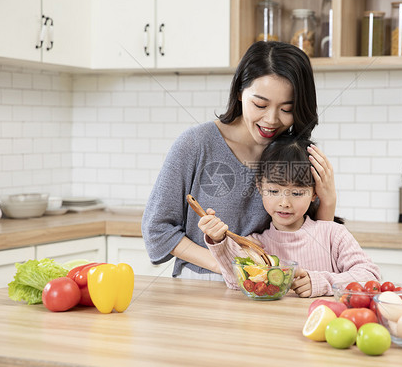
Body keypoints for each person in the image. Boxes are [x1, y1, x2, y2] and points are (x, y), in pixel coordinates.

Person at [142, 41, 337, 280]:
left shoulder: (294, 153)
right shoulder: (195, 144)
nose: (271, 119)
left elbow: (311, 243)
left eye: (287, 109)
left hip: (272, 288)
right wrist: (227, 266)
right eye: (260, 104)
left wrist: (328, 201)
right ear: (239, 92)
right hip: (203, 285)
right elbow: (157, 230)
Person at [198, 134, 381, 297]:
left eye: (296, 193)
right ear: (260, 187)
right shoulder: (255, 245)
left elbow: (370, 276)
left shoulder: (333, 234)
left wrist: (320, 282)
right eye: (274, 191)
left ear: (314, 193)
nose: (284, 202)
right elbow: (235, 282)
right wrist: (218, 240)